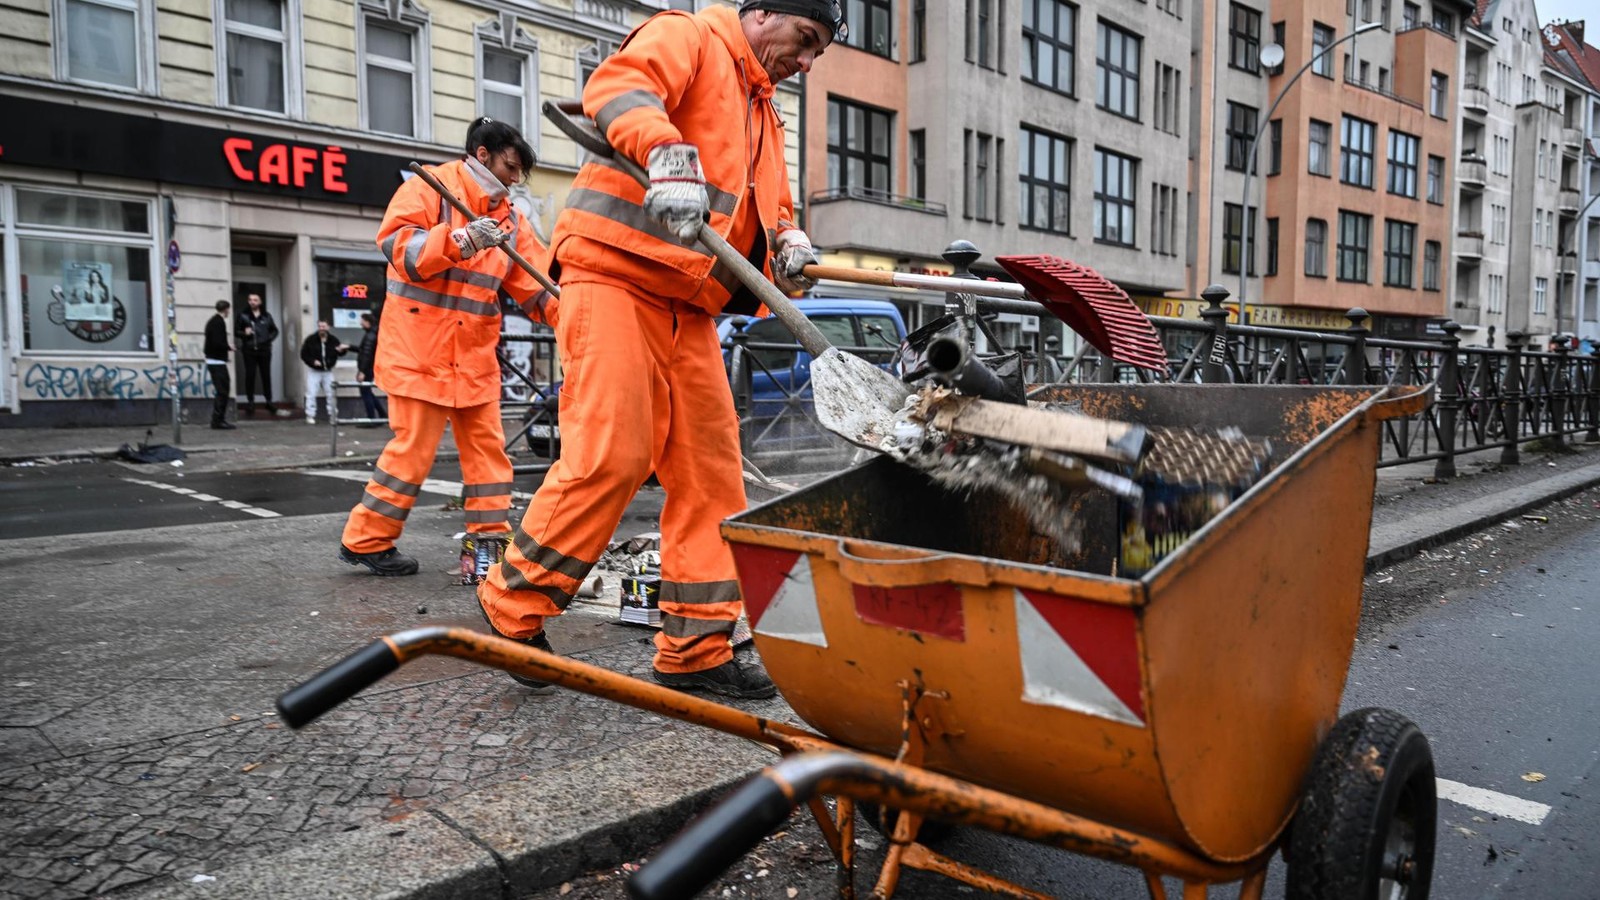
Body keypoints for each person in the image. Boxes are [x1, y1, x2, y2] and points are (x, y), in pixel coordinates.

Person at [475, 0, 842, 700]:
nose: (806, 61)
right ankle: (512, 607)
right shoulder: (691, 36)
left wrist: (789, 238)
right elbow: (618, 87)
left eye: (817, 51)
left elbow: (767, 205)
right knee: (613, 453)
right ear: (762, 12)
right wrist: (664, 151)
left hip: (690, 306)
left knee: (712, 478)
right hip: (615, 275)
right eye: (806, 40)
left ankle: (696, 646)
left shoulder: (762, 109)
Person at [338, 117, 551, 577]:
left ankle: (488, 547)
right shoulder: (428, 189)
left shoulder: (509, 219)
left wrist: (574, 313)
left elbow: (537, 285)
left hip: (472, 357)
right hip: (420, 353)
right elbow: (402, 250)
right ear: (481, 154)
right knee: (411, 454)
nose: (515, 179)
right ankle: (366, 540)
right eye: (510, 167)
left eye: (519, 172)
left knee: (490, 455)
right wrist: (462, 240)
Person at [236, 293, 280, 417]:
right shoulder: (243, 315)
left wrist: (267, 339)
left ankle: (269, 401)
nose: (252, 302)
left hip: (264, 350)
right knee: (250, 376)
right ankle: (250, 402)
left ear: (260, 302)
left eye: (255, 300)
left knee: (266, 375)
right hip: (249, 350)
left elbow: (275, 330)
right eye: (250, 300)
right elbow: (236, 331)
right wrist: (245, 334)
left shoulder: (266, 316)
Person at [300, 318, 350, 424]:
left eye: (323, 326)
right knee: (311, 393)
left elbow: (340, 353)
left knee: (331, 393)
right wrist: (313, 361)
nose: (321, 329)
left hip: (328, 371)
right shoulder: (311, 340)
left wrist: (342, 350)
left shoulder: (333, 340)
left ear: (328, 327)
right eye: (319, 326)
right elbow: (304, 354)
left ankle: (332, 415)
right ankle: (310, 415)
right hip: (314, 371)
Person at [204, 300, 236, 430]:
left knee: (222, 390)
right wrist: (228, 347)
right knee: (223, 390)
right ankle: (218, 420)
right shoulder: (218, 323)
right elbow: (217, 342)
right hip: (216, 361)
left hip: (214, 360)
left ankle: (218, 420)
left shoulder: (212, 321)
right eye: (228, 309)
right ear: (226, 309)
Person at [354, 312, 387, 423]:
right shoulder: (372, 334)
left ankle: (371, 418)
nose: (360, 323)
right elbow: (364, 350)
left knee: (365, 393)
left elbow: (367, 354)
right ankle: (382, 414)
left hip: (367, 369)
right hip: (369, 368)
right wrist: (349, 347)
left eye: (362, 321)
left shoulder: (370, 336)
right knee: (368, 392)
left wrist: (362, 371)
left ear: (367, 322)